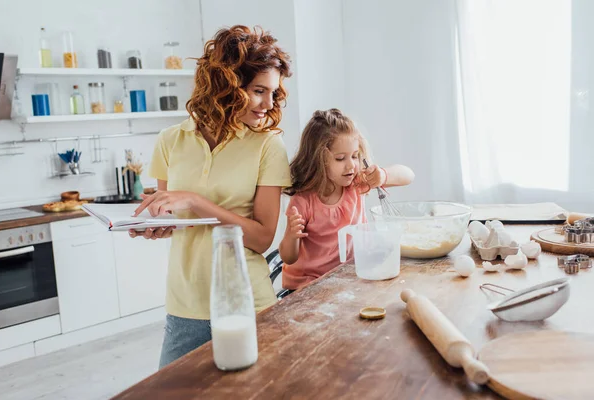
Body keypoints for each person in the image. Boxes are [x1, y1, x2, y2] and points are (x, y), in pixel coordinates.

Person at [130, 25, 292, 368]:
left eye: (273, 93)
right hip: (185, 302)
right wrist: (154, 224)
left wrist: (195, 201)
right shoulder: (171, 140)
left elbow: (262, 237)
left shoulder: (267, 146)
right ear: (226, 86)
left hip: (247, 301)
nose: (268, 104)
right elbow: (171, 217)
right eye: (258, 91)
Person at [278, 108, 415, 290]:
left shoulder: (356, 184)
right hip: (308, 285)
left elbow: (408, 175)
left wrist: (382, 175)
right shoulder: (304, 202)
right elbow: (289, 257)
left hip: (348, 277)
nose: (351, 164)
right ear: (318, 159)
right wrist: (291, 235)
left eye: (355, 156)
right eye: (340, 158)